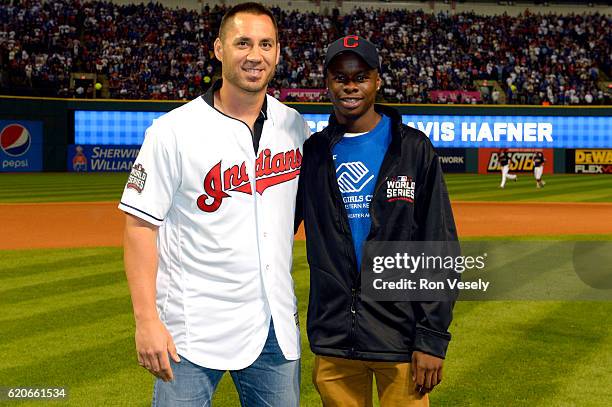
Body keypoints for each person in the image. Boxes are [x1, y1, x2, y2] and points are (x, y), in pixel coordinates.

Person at [119, 3, 309, 406]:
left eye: (265, 44)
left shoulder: (294, 126)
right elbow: (139, 227)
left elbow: (283, 217)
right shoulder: (173, 131)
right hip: (191, 331)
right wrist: (146, 321)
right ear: (219, 49)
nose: (255, 55)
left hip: (273, 325)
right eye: (243, 43)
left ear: (277, 52)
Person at [296, 36, 457, 407]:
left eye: (361, 76)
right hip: (335, 337)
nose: (350, 85)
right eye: (340, 76)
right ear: (327, 82)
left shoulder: (413, 148)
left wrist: (432, 337)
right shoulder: (314, 153)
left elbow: (440, 245)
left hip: (399, 338)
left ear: (377, 81)